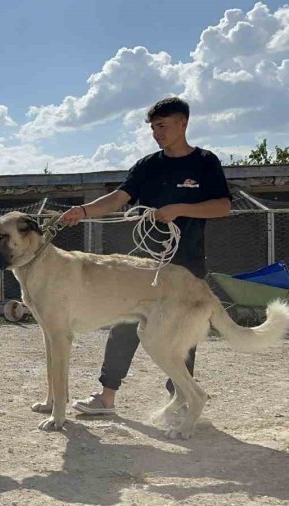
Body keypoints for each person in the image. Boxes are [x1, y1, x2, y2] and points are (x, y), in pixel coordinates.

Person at [59, 97, 232, 415]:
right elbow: (116, 199)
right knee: (123, 325)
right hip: (143, 266)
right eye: (153, 127)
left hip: (186, 265)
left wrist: (180, 209)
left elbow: (223, 206)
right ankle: (106, 397)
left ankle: (181, 401)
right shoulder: (148, 165)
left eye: (162, 126)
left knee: (181, 337)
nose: (157, 133)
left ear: (183, 123)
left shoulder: (206, 162)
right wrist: (82, 211)